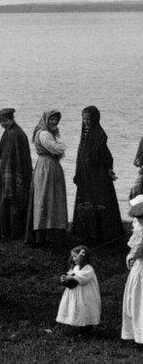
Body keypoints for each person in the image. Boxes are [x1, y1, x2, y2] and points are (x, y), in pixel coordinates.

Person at [70, 106, 123, 246]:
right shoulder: (85, 133)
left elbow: (106, 156)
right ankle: (87, 233)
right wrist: (78, 173)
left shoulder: (99, 134)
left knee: (97, 204)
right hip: (86, 176)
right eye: (84, 118)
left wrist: (108, 169)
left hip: (96, 177)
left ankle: (98, 235)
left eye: (88, 119)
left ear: (95, 119)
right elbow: (81, 155)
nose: (86, 121)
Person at [26, 110, 68, 248]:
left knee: (52, 198)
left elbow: (58, 149)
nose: (54, 122)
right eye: (51, 120)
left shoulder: (51, 133)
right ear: (46, 120)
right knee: (44, 197)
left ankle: (52, 233)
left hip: (51, 166)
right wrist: (58, 139)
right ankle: (42, 235)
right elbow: (59, 148)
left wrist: (57, 137)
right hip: (46, 166)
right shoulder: (44, 134)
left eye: (56, 120)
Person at [0, 108, 33, 239]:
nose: (3, 123)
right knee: (16, 201)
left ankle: (10, 232)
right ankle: (14, 231)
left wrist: (7, 178)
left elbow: (10, 158)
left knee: (10, 200)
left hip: (12, 173)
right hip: (18, 172)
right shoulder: (15, 132)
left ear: (11, 119)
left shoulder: (12, 134)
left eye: (5, 120)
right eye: (1, 121)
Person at [55, 245, 100, 336]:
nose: (73, 259)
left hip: (86, 295)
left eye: (75, 256)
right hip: (76, 294)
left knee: (86, 310)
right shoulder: (75, 267)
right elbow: (71, 275)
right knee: (78, 309)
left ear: (82, 257)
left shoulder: (88, 268)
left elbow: (82, 278)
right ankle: (80, 327)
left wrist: (71, 277)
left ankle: (87, 330)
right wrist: (65, 279)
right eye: (72, 256)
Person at [122, 195, 143, 344]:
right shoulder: (139, 228)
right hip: (139, 266)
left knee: (139, 300)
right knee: (135, 299)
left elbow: (138, 249)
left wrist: (132, 255)